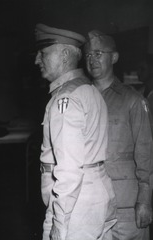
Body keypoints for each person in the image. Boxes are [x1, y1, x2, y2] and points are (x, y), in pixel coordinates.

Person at [35, 23, 117, 240]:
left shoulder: (66, 98)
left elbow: (69, 170)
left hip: (76, 204)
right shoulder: (88, 90)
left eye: (43, 53)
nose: (36, 60)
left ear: (64, 55)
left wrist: (59, 223)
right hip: (95, 193)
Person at [84, 30, 153, 240]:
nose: (92, 60)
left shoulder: (132, 101)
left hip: (126, 206)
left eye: (98, 53)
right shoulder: (80, 100)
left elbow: (146, 155)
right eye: (87, 55)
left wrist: (144, 201)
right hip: (90, 204)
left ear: (114, 57)